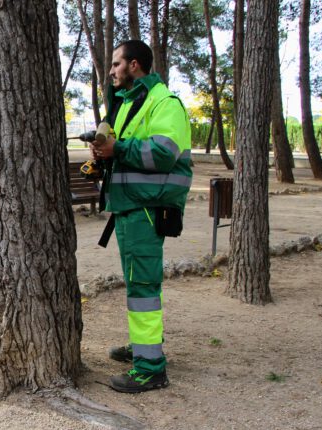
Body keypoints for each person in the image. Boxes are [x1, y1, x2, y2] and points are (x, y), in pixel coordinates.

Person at [91, 40, 192, 393]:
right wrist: (105, 152)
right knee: (141, 283)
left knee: (143, 287)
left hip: (147, 210)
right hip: (133, 207)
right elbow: (124, 150)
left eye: (116, 64)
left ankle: (150, 368)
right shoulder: (129, 103)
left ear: (134, 65)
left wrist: (116, 148)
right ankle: (144, 347)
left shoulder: (164, 102)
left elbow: (164, 154)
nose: (112, 70)